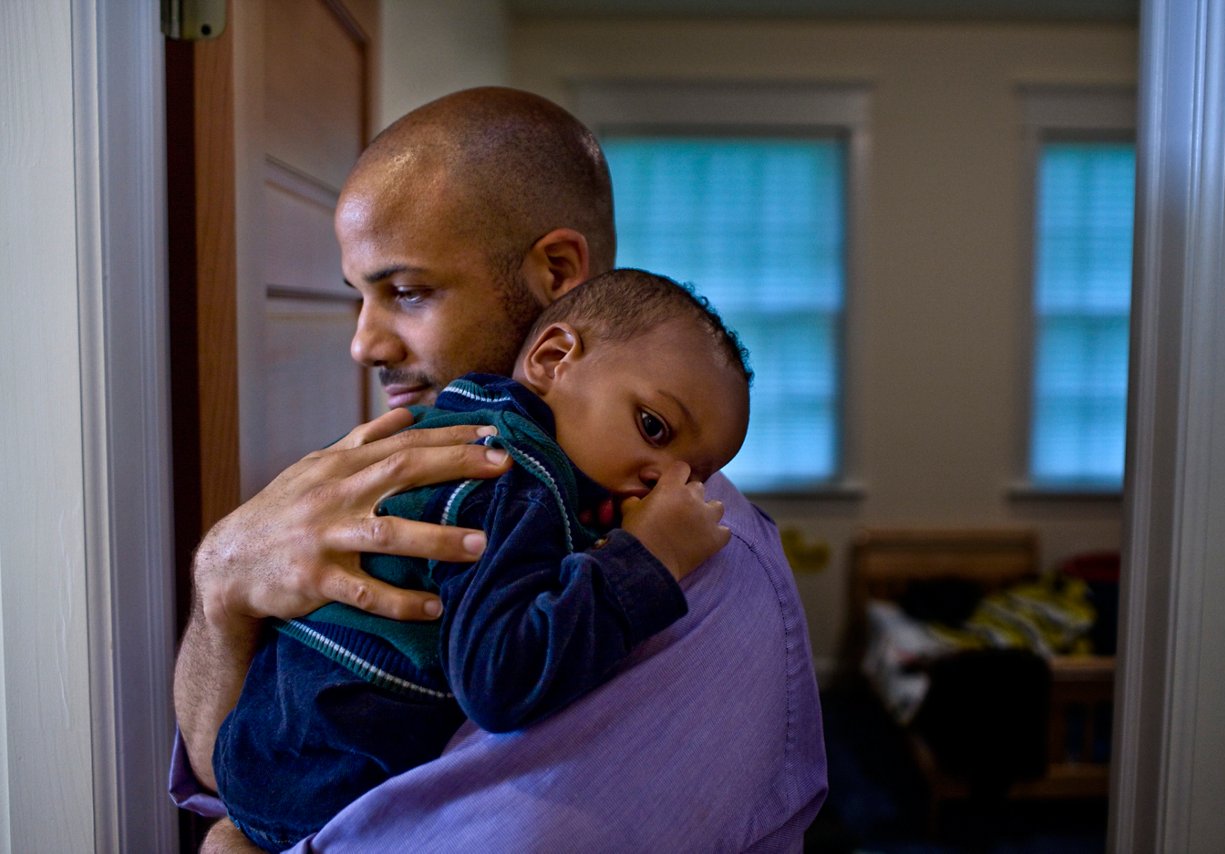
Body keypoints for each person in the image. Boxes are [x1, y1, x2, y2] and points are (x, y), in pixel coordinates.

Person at [172, 86, 827, 853]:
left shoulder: (693, 564)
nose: (365, 345)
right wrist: (222, 584)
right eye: (361, 296)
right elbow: (220, 782)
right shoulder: (420, 468)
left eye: (408, 292)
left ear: (556, 272)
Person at [214, 269, 753, 851]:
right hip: (321, 789)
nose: (665, 483)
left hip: (264, 759)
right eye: (653, 427)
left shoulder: (470, 421)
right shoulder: (510, 480)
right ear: (552, 358)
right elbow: (501, 680)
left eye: (693, 476)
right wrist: (650, 557)